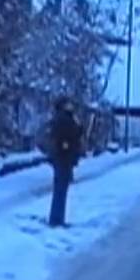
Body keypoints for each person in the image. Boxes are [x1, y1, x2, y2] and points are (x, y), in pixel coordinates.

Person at [47, 97, 83, 227]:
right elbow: (69, 136)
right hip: (63, 158)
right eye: (68, 104)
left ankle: (57, 218)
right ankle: (57, 220)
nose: (71, 106)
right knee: (61, 190)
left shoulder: (64, 117)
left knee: (60, 189)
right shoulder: (64, 119)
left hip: (62, 158)